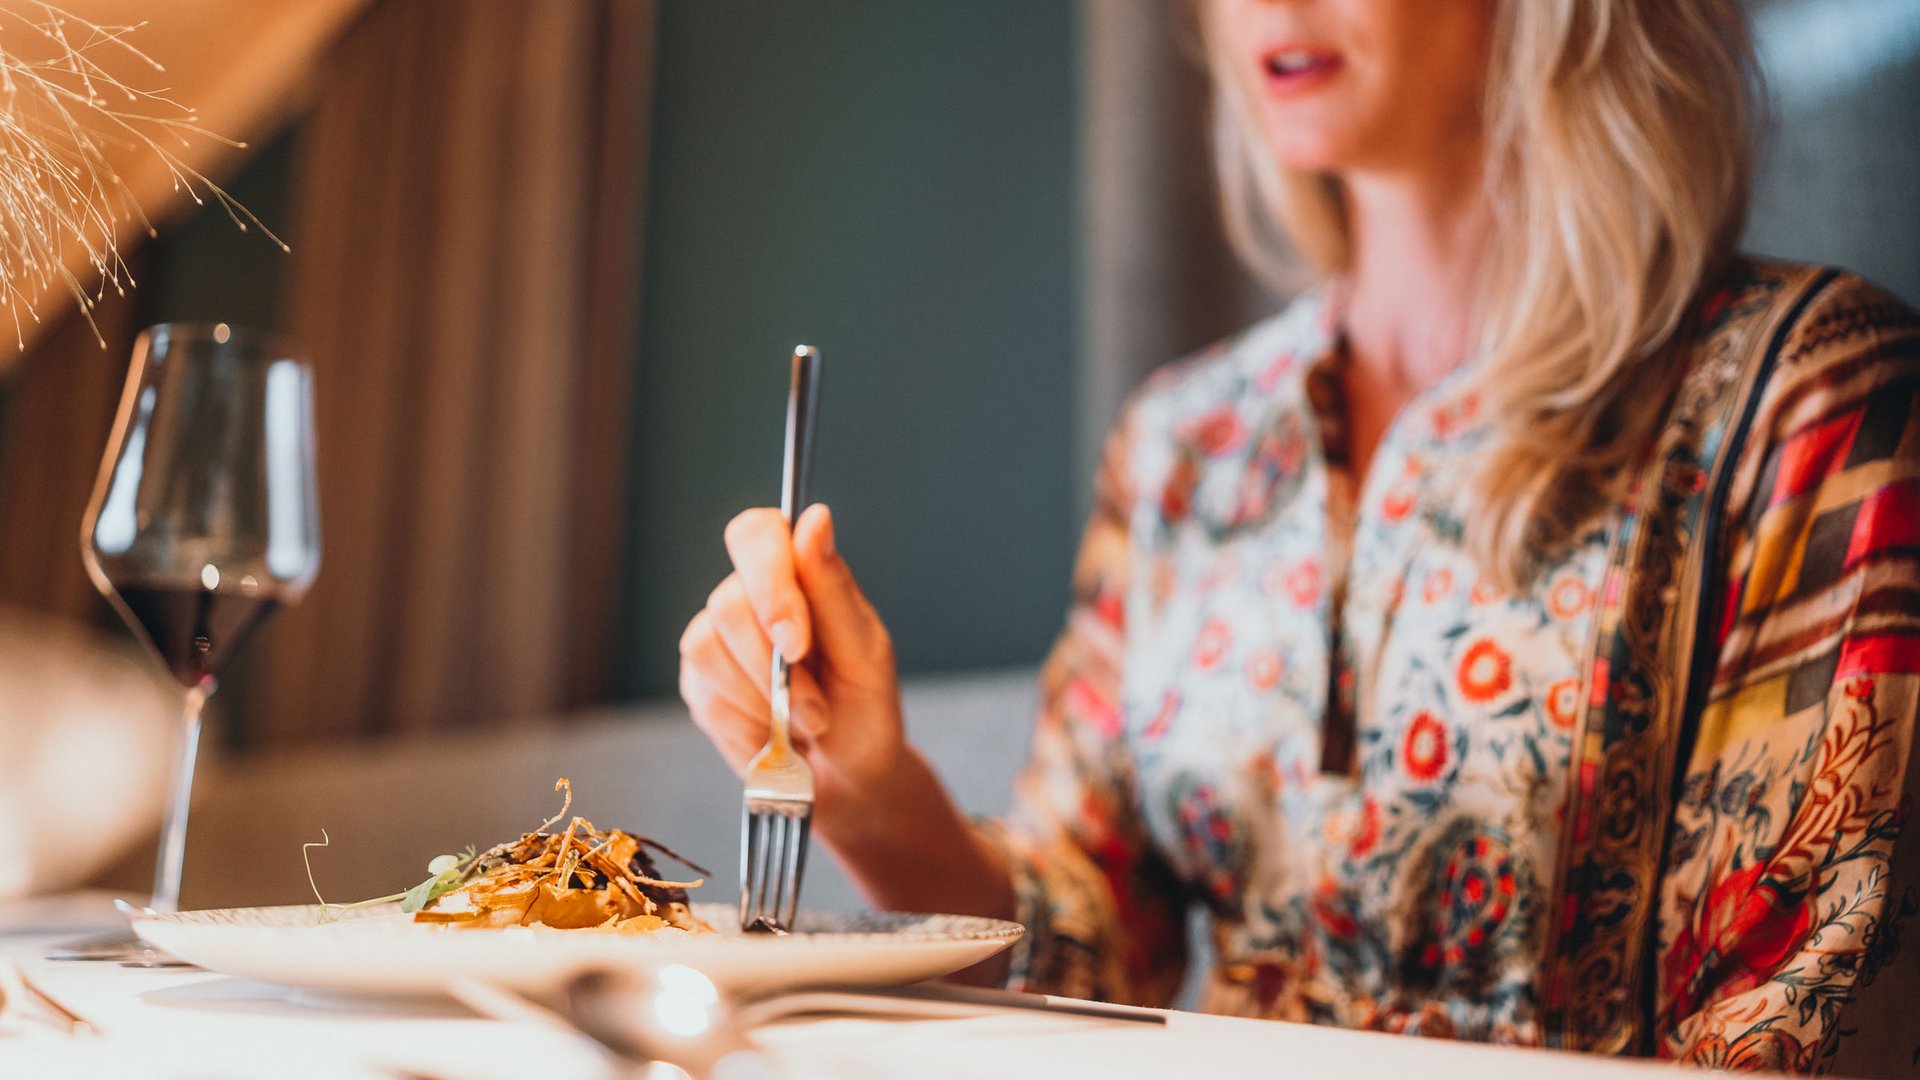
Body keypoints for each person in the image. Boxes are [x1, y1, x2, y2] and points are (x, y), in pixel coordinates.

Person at [679, 0, 1920, 1071]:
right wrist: (870, 793)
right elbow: (1085, 949)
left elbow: (1793, 1022)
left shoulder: (1807, 404)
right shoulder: (1183, 443)